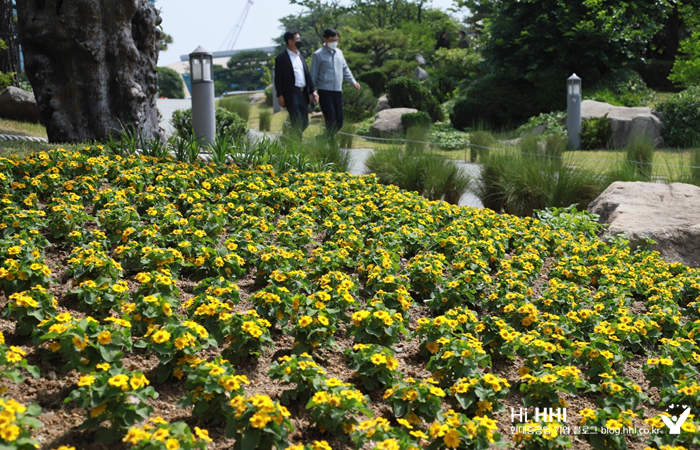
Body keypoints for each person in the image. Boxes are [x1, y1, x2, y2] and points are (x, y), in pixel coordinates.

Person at [310, 28, 360, 137]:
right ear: (325, 39)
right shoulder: (318, 54)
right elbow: (313, 74)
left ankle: (322, 138)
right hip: (324, 91)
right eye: (332, 40)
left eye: (336, 40)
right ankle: (331, 146)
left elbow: (345, 68)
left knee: (339, 121)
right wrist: (312, 91)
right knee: (331, 119)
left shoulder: (339, 53)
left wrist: (353, 81)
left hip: (337, 90)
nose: (334, 42)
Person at [274, 30, 318, 137]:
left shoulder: (301, 57)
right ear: (290, 41)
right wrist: (280, 95)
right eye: (297, 39)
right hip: (291, 93)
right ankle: (296, 149)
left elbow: (307, 76)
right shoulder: (281, 59)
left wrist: (313, 91)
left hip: (303, 94)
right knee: (297, 121)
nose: (300, 41)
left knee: (304, 122)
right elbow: (278, 79)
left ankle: (288, 137)